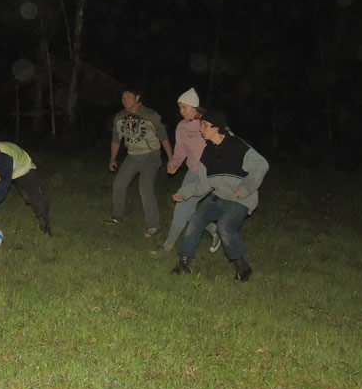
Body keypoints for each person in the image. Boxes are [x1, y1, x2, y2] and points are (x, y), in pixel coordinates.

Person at [170, 109, 269, 282]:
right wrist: (184, 192)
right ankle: (184, 263)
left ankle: (242, 266)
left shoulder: (237, 146)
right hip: (219, 196)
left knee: (224, 227)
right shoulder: (207, 153)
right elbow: (204, 185)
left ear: (216, 127)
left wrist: (246, 187)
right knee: (195, 219)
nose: (201, 129)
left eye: (204, 125)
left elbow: (262, 165)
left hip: (240, 199)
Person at [156, 88, 220, 255]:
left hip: (208, 174)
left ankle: (167, 247)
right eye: (180, 108)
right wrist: (174, 164)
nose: (181, 111)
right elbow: (180, 151)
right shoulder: (181, 127)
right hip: (192, 171)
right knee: (189, 210)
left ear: (194, 107)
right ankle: (215, 230)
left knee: (182, 207)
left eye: (184, 107)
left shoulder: (207, 123)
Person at [106, 88, 173, 237]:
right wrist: (112, 159)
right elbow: (116, 139)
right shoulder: (120, 117)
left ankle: (153, 226)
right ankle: (117, 216)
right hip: (133, 156)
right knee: (119, 184)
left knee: (145, 187)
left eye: (129, 97)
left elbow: (163, 136)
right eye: (123, 98)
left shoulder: (150, 115)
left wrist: (171, 158)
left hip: (151, 155)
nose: (125, 100)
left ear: (137, 98)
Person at [0, 135, 51, 235]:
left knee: (33, 197)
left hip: (22, 168)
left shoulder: (5, 159)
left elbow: (3, 188)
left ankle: (44, 223)